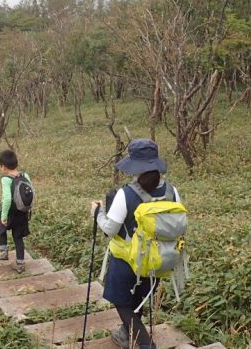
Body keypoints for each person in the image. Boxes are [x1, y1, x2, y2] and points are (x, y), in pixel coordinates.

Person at [90, 138, 181, 349]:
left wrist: (97, 213)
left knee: (121, 301)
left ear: (134, 167)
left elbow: (110, 229)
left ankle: (145, 344)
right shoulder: (172, 191)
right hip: (157, 260)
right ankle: (125, 334)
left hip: (126, 259)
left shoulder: (126, 194)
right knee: (138, 299)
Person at [0, 149, 31, 273]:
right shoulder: (25, 176)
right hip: (22, 212)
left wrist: (3, 216)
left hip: (10, 211)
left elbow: (6, 199)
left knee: (1, 228)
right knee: (18, 237)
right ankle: (20, 263)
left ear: (3, 167)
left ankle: (3, 251)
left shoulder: (5, 179)